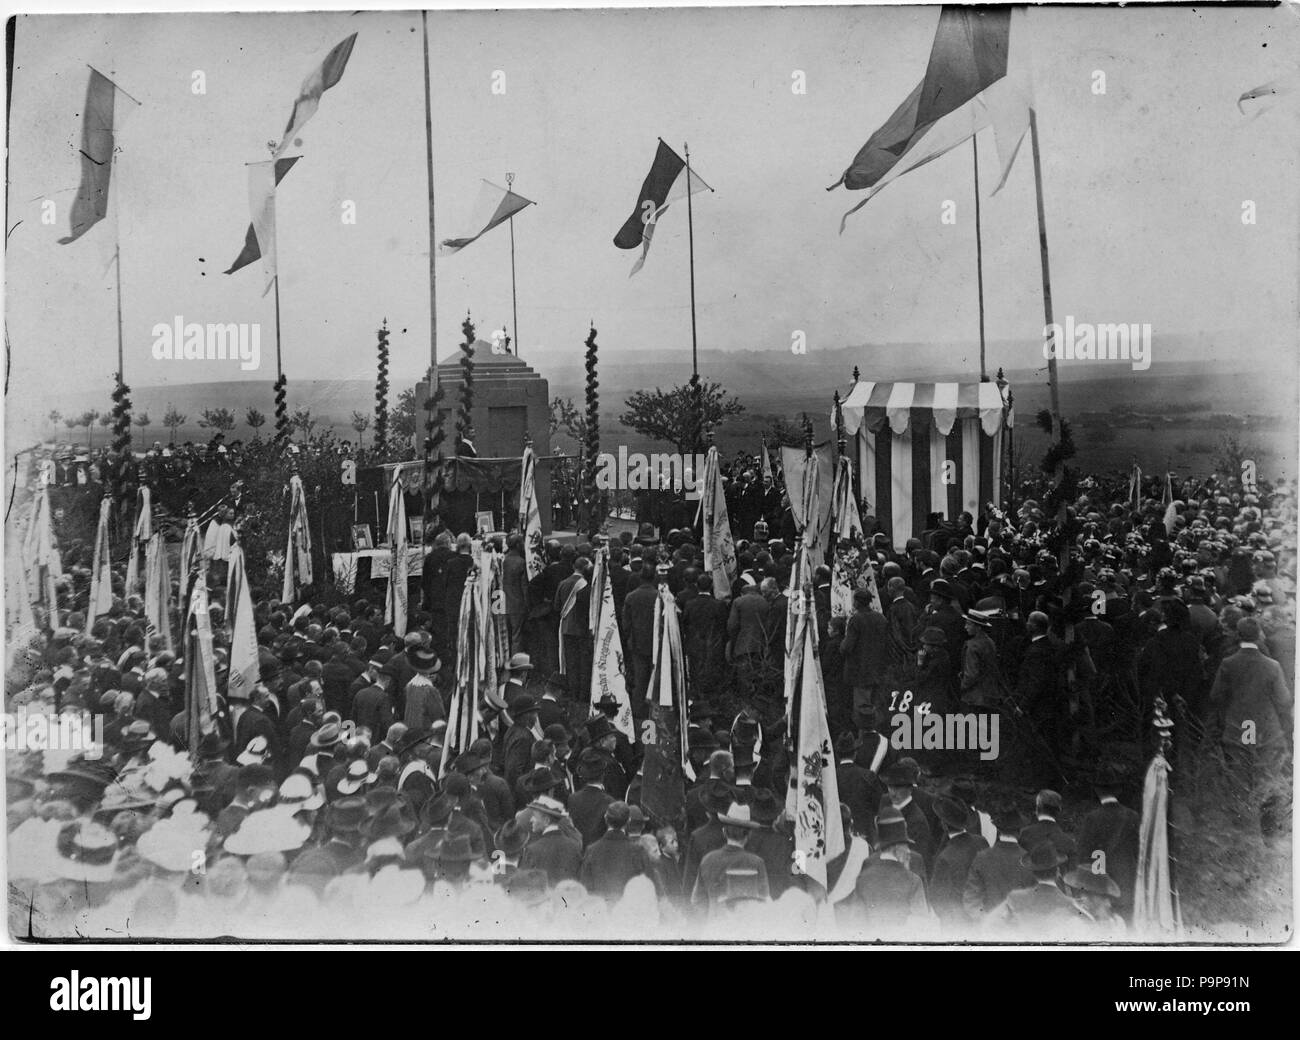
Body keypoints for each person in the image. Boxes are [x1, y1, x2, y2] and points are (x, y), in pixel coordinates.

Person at [691, 802, 770, 914]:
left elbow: (697, 901)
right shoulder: (757, 863)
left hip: (716, 926)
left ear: (724, 832)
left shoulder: (708, 860)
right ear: (748, 835)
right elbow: (764, 901)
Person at [579, 801, 653, 902]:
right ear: (628, 821)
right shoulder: (638, 851)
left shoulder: (591, 850)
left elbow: (585, 889)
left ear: (605, 819)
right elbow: (648, 889)